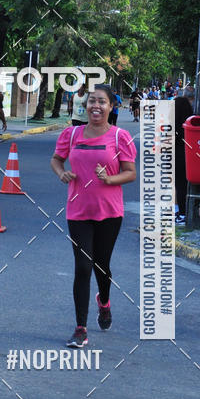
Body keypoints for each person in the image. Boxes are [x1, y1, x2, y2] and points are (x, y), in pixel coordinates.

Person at [51, 84, 137, 347]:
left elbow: (130, 172)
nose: (95, 106)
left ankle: (104, 301)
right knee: (82, 266)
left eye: (102, 102)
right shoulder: (72, 133)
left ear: (112, 107)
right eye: (91, 102)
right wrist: (61, 173)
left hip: (109, 212)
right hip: (78, 211)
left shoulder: (120, 137)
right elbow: (56, 159)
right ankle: (80, 328)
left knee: (102, 265)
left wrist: (109, 179)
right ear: (85, 106)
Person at [174, 96, 194, 224]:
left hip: (178, 155)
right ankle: (183, 211)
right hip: (191, 156)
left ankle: (182, 213)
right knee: (185, 185)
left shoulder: (174, 124)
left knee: (180, 185)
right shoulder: (190, 123)